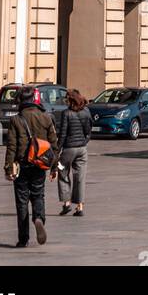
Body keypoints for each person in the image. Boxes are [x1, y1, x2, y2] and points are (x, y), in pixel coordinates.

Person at [4, 85, 58, 249]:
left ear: (21, 100)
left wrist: (8, 168)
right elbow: (54, 145)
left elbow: (11, 146)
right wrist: (54, 167)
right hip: (39, 164)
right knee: (38, 194)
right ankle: (39, 219)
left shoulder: (16, 119)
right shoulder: (46, 117)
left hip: (21, 165)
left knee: (21, 202)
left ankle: (23, 239)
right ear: (35, 100)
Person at [56, 89, 92, 217]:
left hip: (68, 150)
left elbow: (63, 134)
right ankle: (80, 207)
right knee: (80, 178)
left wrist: (57, 150)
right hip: (82, 150)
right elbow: (88, 130)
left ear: (70, 99)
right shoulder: (86, 111)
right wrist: (84, 142)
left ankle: (66, 203)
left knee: (62, 171)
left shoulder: (66, 113)